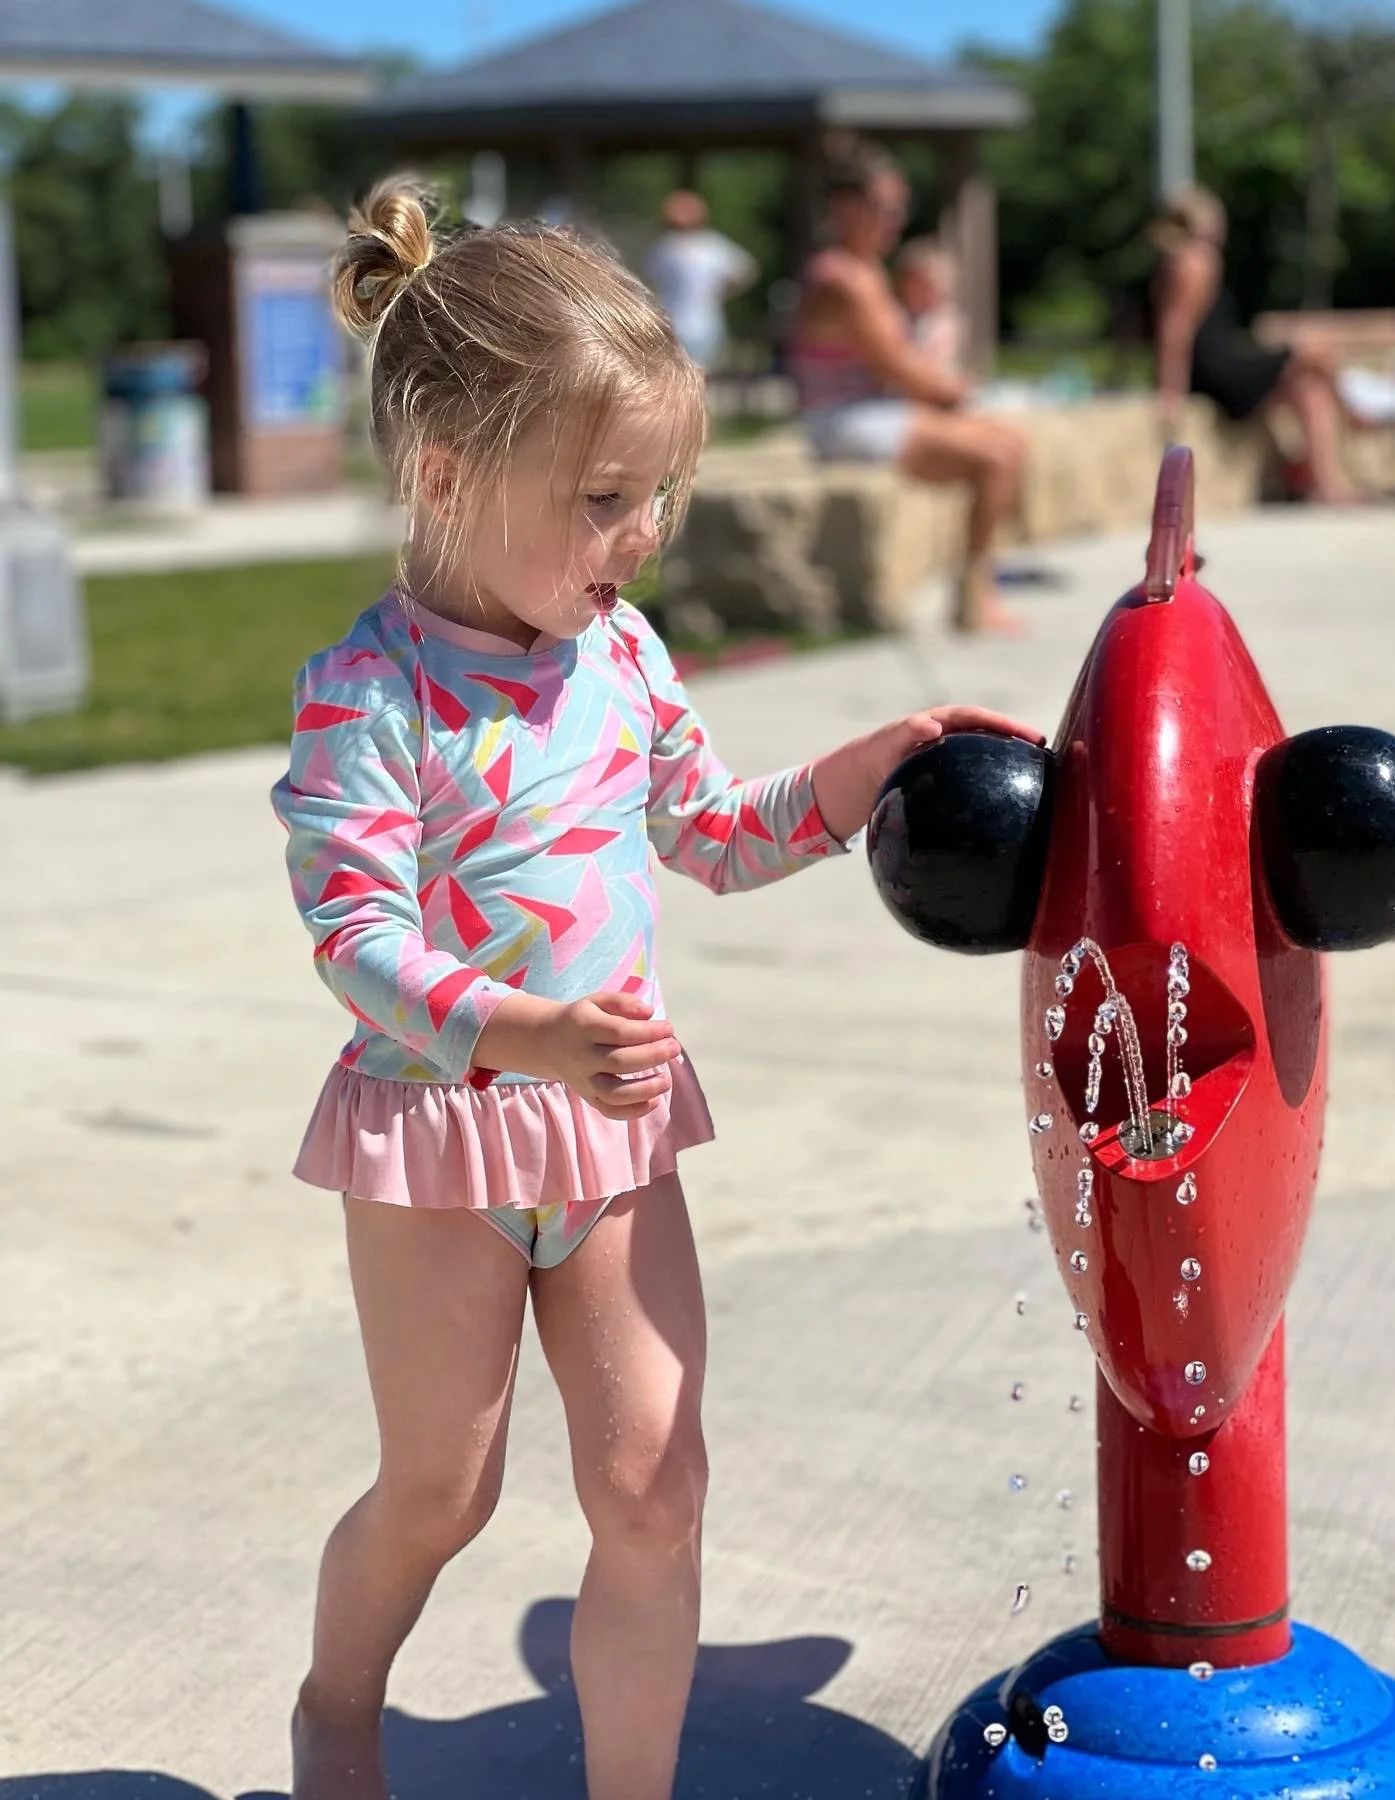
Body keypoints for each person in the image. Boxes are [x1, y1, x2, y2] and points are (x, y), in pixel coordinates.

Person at [274, 174, 1044, 1800]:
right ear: (444, 473)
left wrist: (865, 773)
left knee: (651, 1484)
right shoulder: (370, 693)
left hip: (613, 1147)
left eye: (662, 498)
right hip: (443, 1144)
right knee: (443, 1489)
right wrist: (532, 1031)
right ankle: (340, 1704)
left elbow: (708, 832)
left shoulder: (620, 658)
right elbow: (355, 941)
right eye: (609, 499)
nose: (642, 539)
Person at [789, 135, 1029, 634]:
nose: (895, 220)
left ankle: (977, 585)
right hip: (843, 421)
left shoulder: (866, 271)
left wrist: (951, 394)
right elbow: (898, 367)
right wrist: (955, 393)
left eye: (900, 208)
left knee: (1011, 444)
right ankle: (973, 599)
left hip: (872, 411)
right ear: (845, 207)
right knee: (997, 457)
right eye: (883, 208)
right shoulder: (843, 278)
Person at [1150, 185, 1364, 505]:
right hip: (1217, 371)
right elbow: (1175, 329)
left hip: (1218, 364)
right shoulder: (1195, 259)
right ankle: (1357, 413)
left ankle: (1322, 482)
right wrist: (1170, 390)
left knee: (1310, 389)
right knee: (1313, 350)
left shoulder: (1180, 259)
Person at [642, 188, 759, 371]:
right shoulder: (713, 246)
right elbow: (747, 272)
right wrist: (720, 294)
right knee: (701, 378)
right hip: (702, 325)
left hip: (676, 323)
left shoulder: (664, 248)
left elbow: (646, 281)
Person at [895, 236, 967, 376]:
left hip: (936, 378)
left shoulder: (946, 320)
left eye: (938, 287)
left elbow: (933, 356)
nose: (931, 293)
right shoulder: (899, 316)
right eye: (923, 286)